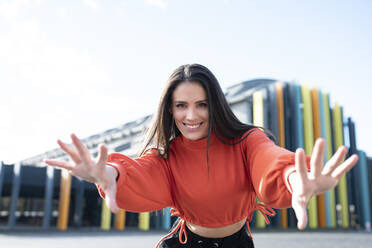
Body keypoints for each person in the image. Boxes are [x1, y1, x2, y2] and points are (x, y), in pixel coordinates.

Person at [45, 64, 358, 248]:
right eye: (181, 105)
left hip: (237, 243)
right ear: (170, 108)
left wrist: (293, 178)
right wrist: (111, 174)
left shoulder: (247, 140)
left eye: (202, 104)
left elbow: (269, 161)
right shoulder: (167, 153)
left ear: (216, 105)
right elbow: (142, 172)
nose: (191, 115)